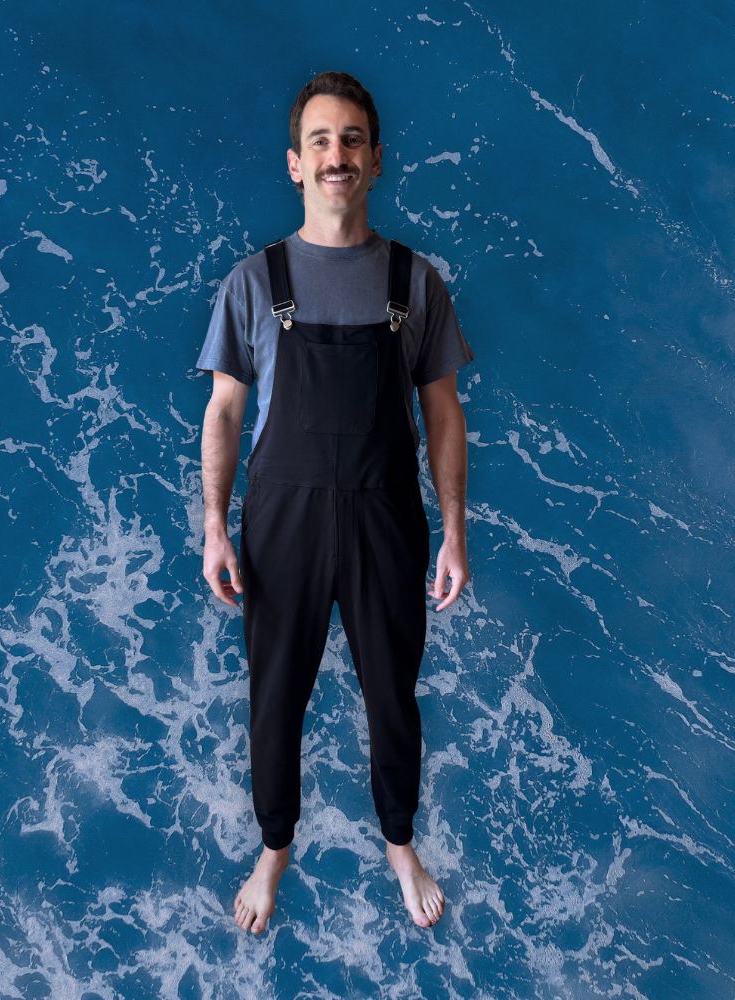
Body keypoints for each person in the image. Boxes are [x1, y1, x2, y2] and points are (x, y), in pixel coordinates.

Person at [197, 71, 474, 935]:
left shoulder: (413, 281)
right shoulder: (254, 279)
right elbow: (226, 412)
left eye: (351, 139)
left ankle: (400, 842)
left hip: (387, 514)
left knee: (394, 695)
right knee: (275, 696)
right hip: (283, 517)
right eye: (320, 141)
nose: (336, 156)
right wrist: (214, 525)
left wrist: (454, 532)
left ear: (377, 160)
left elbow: (441, 414)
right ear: (294, 163)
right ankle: (274, 848)